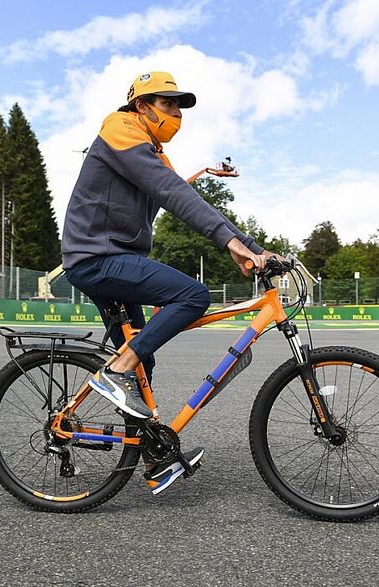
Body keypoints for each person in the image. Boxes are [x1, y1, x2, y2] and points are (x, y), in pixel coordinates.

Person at [61, 71, 274, 494]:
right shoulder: (119, 129)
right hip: (96, 259)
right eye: (168, 104)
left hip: (113, 260)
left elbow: (180, 194)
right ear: (141, 106)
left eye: (180, 107)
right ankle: (114, 372)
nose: (177, 114)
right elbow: (171, 191)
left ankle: (153, 456)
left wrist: (248, 247)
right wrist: (234, 242)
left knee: (144, 358)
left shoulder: (150, 149)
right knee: (191, 295)